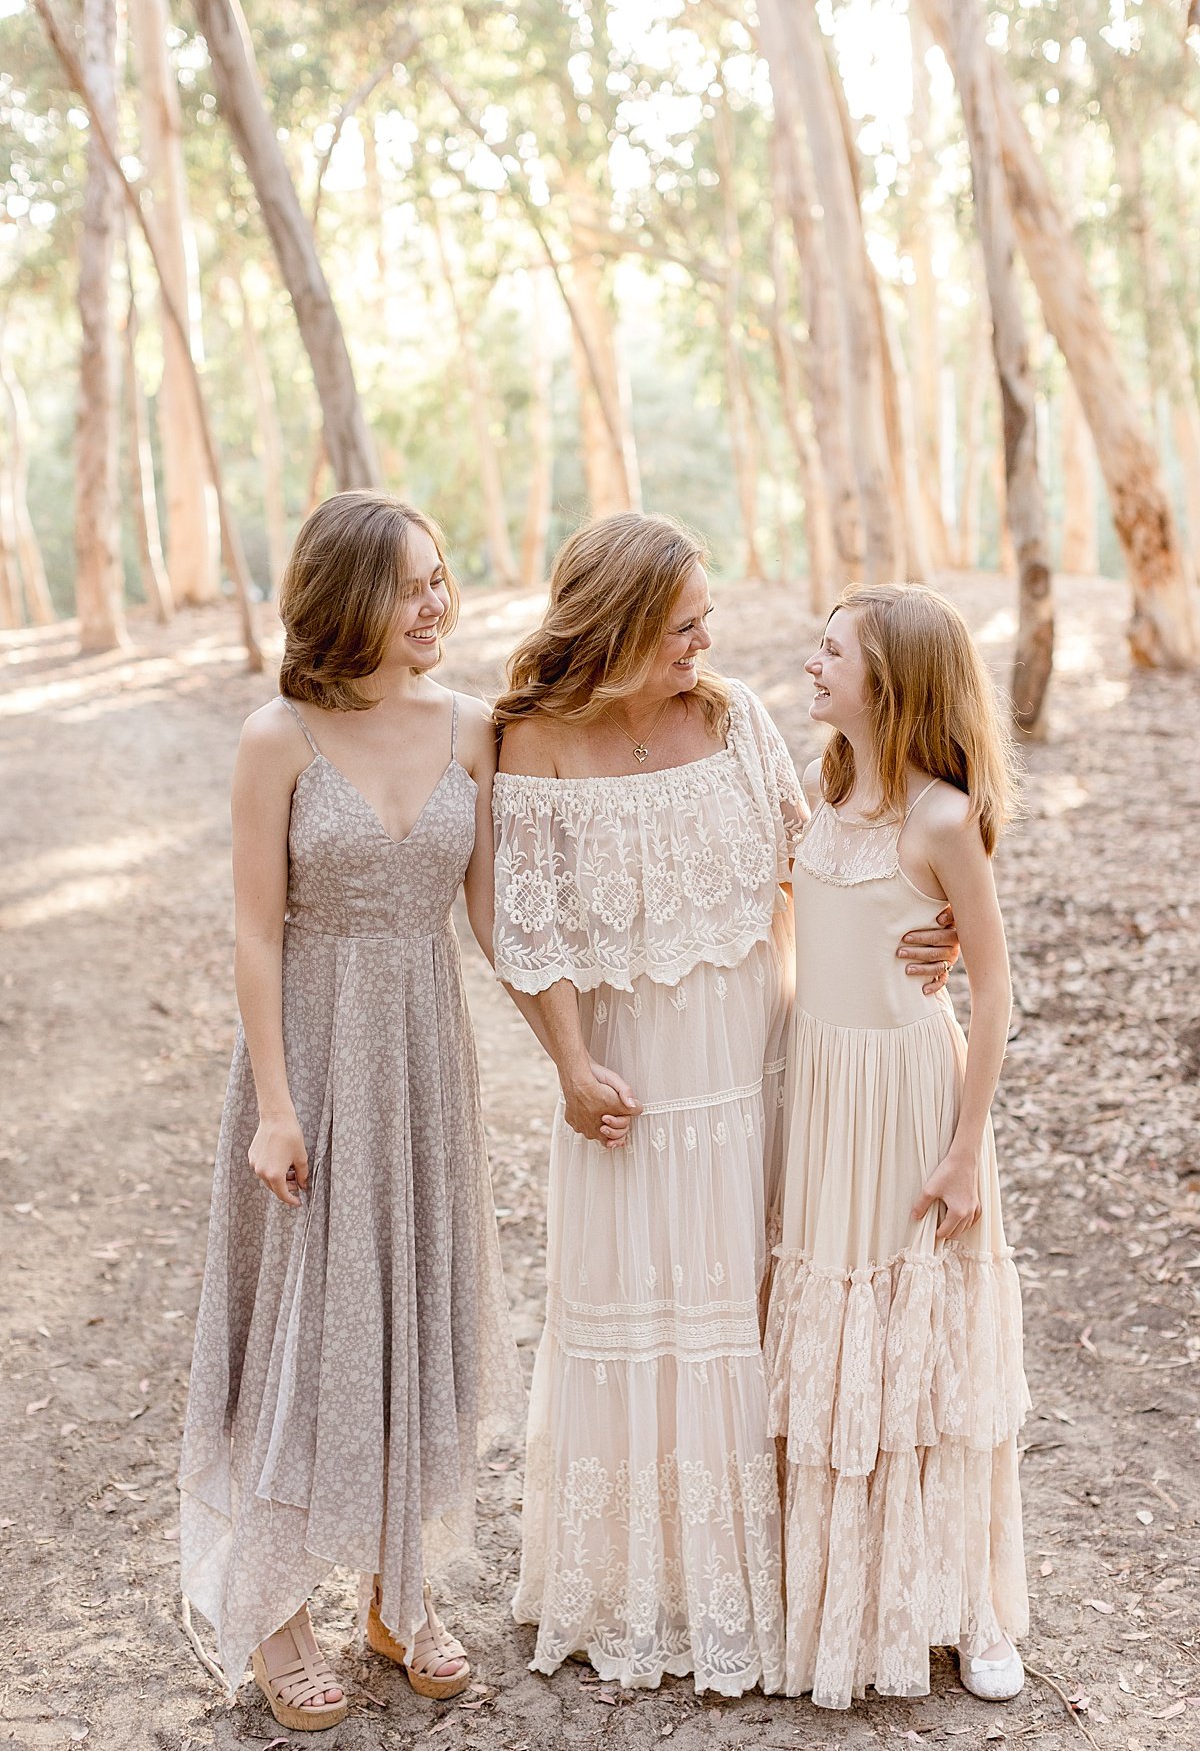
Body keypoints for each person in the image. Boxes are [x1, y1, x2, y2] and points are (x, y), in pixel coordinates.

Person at [490, 517, 959, 1695]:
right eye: (683, 624)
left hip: (756, 1068)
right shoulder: (535, 745)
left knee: (752, 1306)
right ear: (615, 627)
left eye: (705, 619)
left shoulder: (735, 718)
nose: (710, 640)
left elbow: (831, 863)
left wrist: (933, 918)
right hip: (630, 1087)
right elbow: (519, 931)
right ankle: (646, 1585)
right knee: (638, 1309)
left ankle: (772, 1578)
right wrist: (567, 1062)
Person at [179, 492, 521, 1730]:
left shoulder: (477, 728)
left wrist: (584, 1052)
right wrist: (277, 1105)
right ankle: (274, 1611)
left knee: (412, 1315)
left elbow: (502, 926)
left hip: (426, 1064)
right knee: (300, 1330)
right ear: (347, 599)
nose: (440, 602)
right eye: (413, 584)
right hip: (310, 1064)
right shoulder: (277, 736)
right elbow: (254, 933)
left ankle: (399, 1588)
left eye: (443, 578)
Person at [765, 583, 1029, 1711]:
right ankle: (851, 1601)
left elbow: (994, 982)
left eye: (834, 652)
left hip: (910, 1100)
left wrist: (967, 1148)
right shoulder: (823, 793)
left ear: (891, 680)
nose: (812, 663)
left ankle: (971, 1606)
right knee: (843, 1344)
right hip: (826, 1096)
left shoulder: (939, 817)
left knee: (927, 1354)